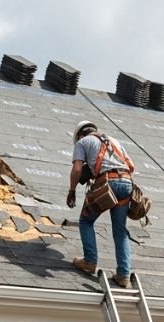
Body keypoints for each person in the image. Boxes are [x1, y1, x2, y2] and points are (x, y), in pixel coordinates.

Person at [65, 120, 136, 288]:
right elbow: (131, 166)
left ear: (80, 135)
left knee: (86, 221)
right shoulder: (114, 141)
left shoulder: (83, 142)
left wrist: (72, 190)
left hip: (107, 183)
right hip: (127, 183)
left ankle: (90, 261)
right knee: (120, 231)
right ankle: (123, 275)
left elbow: (76, 169)